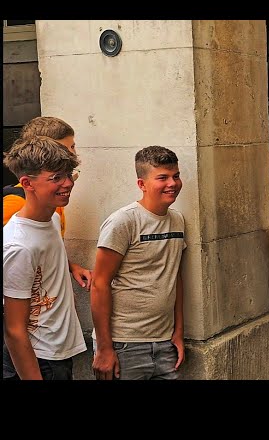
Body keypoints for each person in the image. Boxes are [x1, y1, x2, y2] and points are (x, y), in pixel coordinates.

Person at [91, 146, 186, 380]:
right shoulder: (123, 222)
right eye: (162, 178)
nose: (172, 183)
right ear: (142, 184)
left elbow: (175, 278)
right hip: (124, 345)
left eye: (175, 176)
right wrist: (104, 348)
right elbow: (99, 284)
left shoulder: (177, 220)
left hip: (165, 345)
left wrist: (178, 333)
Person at [3, 135, 87, 379]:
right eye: (56, 178)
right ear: (27, 183)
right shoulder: (18, 246)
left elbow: (42, 261)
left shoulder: (52, 217)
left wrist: (70, 266)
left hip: (59, 351)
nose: (68, 183)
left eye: (69, 174)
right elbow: (14, 330)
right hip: (39, 359)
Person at [3, 116, 92, 290]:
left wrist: (70, 267)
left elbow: (43, 250)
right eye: (69, 147)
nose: (73, 153)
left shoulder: (53, 200)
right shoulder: (14, 203)